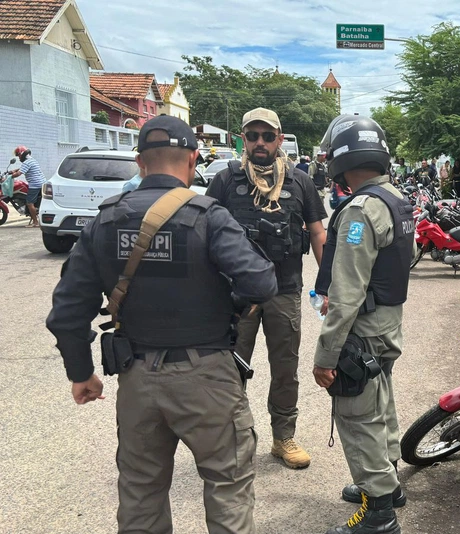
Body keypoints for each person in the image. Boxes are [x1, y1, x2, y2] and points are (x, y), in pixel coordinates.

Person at [46, 115, 278, 533]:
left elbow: (66, 311)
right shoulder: (209, 216)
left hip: (137, 377)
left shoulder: (105, 220)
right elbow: (261, 282)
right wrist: (231, 303)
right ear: (192, 160)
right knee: (227, 485)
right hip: (207, 376)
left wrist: (81, 374)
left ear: (139, 162)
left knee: (140, 491)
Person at [206, 107, 328, 469]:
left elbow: (318, 231)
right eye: (252, 135)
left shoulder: (300, 180)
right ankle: (233, 441)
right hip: (234, 294)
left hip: (284, 289)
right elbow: (204, 231)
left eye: (267, 135)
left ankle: (283, 438)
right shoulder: (226, 179)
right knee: (231, 367)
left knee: (285, 368)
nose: (260, 142)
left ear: (279, 138)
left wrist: (328, 284)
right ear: (243, 138)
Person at [312, 115, 411, 534]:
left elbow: (347, 293)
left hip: (364, 331)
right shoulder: (394, 198)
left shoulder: (360, 210)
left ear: (340, 160)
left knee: (358, 414)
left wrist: (325, 355)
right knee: (380, 402)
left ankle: (379, 512)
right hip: (387, 325)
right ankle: (388, 483)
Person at [10, 146, 43, 227]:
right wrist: (13, 171)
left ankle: (35, 222)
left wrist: (10, 177)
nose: (19, 157)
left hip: (35, 184)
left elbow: (18, 173)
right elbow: (22, 169)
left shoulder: (27, 162)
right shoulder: (32, 160)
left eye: (18, 155)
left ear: (22, 154)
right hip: (41, 183)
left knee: (29, 203)